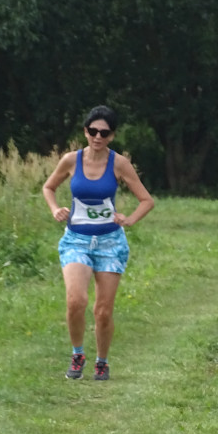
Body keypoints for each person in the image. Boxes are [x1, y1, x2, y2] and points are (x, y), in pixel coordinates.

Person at [42, 106, 154, 381]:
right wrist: (55, 209)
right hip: (76, 240)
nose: (97, 137)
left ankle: (102, 362)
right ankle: (77, 354)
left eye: (104, 133)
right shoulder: (71, 160)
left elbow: (147, 200)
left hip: (109, 243)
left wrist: (129, 220)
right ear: (85, 131)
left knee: (103, 311)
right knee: (75, 301)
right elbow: (48, 187)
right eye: (93, 131)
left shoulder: (119, 164)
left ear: (112, 136)